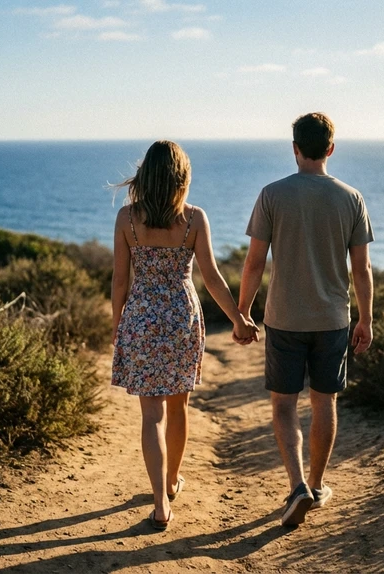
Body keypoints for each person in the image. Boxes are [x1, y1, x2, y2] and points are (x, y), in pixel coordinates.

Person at [111, 140, 259, 532]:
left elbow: (120, 280)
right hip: (181, 320)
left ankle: (160, 502)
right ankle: (172, 482)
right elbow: (211, 276)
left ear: (145, 176)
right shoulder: (194, 219)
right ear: (182, 178)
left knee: (151, 415)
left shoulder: (127, 219)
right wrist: (239, 318)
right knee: (178, 409)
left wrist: (117, 325)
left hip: (142, 319)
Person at [237, 113, 374, 527]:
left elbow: (254, 262)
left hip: (284, 319)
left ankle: (296, 486)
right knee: (324, 402)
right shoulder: (351, 198)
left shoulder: (271, 195)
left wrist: (243, 311)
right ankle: (315, 486)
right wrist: (366, 318)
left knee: (283, 406)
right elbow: (362, 268)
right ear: (330, 148)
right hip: (333, 319)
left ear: (294, 147)